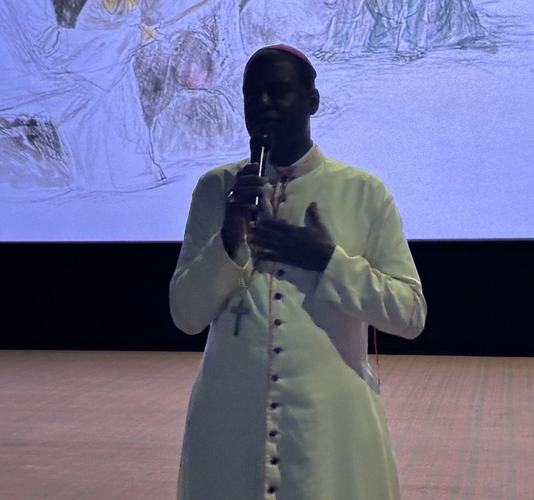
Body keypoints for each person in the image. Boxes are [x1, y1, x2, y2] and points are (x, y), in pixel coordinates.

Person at [170, 44, 427, 500]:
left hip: (330, 426)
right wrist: (229, 234)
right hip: (229, 424)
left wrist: (326, 260)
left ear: (313, 100)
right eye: (252, 94)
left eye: (278, 91)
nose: (263, 103)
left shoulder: (363, 191)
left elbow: (410, 315)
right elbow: (186, 315)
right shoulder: (216, 189)